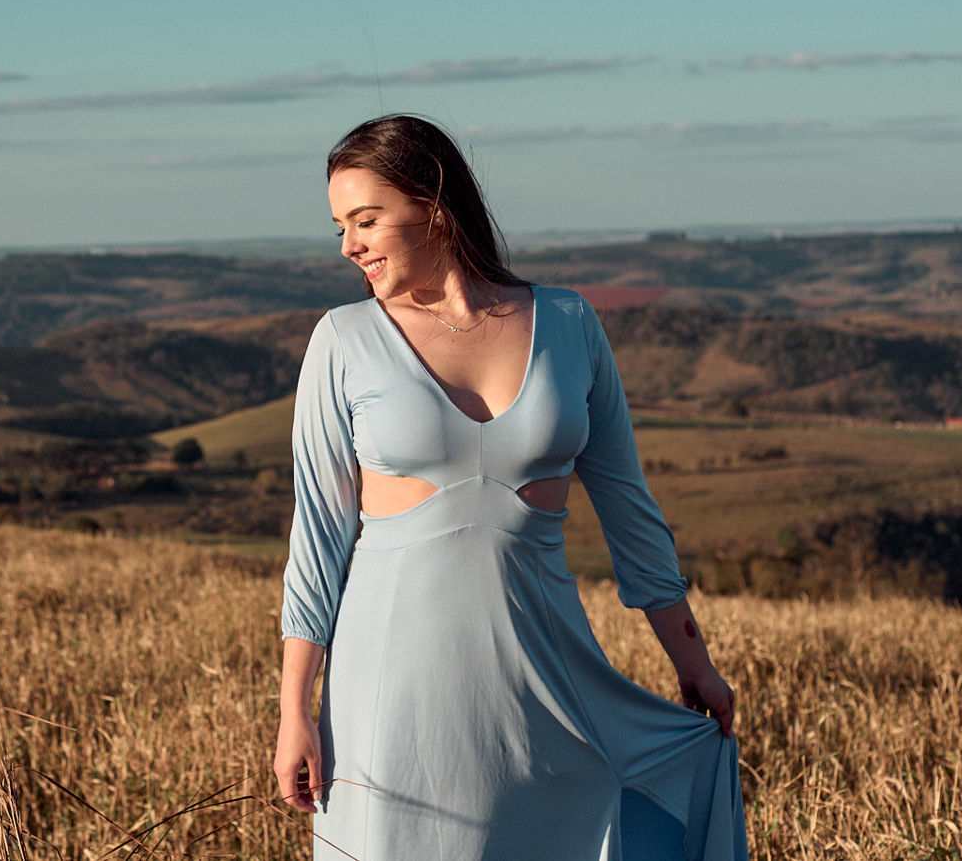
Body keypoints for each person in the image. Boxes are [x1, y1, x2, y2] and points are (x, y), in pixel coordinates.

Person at [275, 116, 746, 860]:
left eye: (365, 221)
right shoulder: (344, 340)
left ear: (432, 204)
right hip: (392, 682)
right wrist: (293, 710)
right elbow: (319, 537)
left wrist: (695, 666)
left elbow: (631, 516)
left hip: (546, 672)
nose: (348, 246)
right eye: (341, 226)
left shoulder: (569, 322)